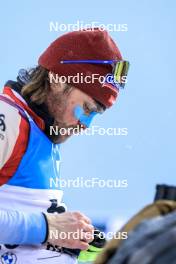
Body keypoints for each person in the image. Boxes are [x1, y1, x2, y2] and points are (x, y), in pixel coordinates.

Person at [0, 28, 129, 263]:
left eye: (95, 115)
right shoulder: (8, 118)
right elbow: (39, 229)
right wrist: (46, 228)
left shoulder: (41, 131)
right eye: (87, 109)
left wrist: (70, 239)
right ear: (58, 80)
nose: (86, 124)